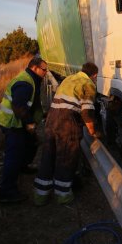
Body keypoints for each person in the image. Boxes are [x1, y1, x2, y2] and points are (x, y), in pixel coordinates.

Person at [33, 62, 99, 205]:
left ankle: (40, 195)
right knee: (66, 158)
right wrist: (93, 132)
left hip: (51, 120)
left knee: (48, 155)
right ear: (94, 75)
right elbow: (86, 112)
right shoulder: (88, 84)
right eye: (96, 77)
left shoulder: (69, 79)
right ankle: (62, 195)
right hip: (67, 124)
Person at [0, 57, 48, 203]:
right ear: (34, 68)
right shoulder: (25, 83)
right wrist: (30, 123)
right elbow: (19, 106)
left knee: (31, 143)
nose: (46, 72)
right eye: (44, 69)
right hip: (12, 124)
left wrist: (41, 115)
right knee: (13, 156)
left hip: (18, 122)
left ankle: (23, 166)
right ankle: (7, 192)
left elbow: (32, 104)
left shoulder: (33, 80)